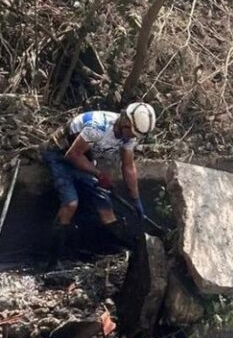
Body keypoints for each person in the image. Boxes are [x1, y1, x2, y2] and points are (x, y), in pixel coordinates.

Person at [42, 102, 157, 270]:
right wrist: (98, 174)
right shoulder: (98, 127)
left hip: (85, 159)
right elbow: (72, 155)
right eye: (131, 132)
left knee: (106, 210)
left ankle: (125, 250)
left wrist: (135, 199)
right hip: (60, 156)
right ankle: (52, 262)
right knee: (71, 203)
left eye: (135, 135)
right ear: (125, 122)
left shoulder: (129, 136)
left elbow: (128, 166)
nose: (131, 137)